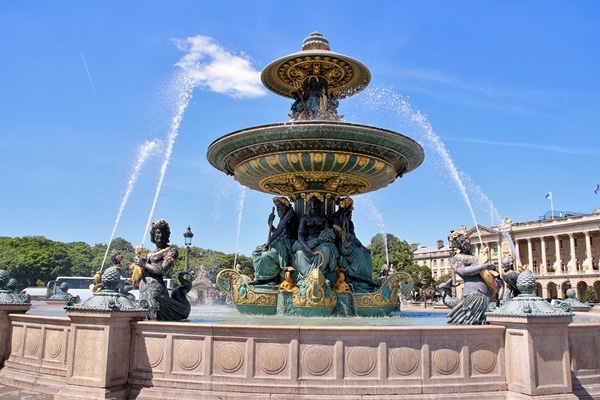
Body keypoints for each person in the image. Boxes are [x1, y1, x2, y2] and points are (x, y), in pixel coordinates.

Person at [135, 219, 190, 321]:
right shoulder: (150, 252)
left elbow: (163, 270)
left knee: (155, 315)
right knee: (147, 315)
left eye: (161, 233)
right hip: (144, 289)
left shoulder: (171, 251)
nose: (159, 235)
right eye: (157, 233)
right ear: (153, 235)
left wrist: (144, 264)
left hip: (156, 290)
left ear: (166, 235)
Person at [446, 226, 499, 325]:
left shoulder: (475, 257)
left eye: (467, 240)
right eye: (464, 241)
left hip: (486, 295)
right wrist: (483, 266)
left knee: (484, 323)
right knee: (470, 323)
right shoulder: (455, 258)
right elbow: (463, 271)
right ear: (459, 244)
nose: (467, 243)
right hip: (473, 295)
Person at [332, 197, 377, 292]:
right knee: (358, 253)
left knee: (366, 253)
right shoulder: (336, 218)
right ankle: (358, 278)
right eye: (348, 208)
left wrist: (360, 245)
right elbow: (334, 230)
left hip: (350, 242)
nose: (349, 211)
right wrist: (342, 233)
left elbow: (354, 236)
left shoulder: (349, 222)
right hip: (340, 243)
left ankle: (366, 280)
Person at [251, 197, 298, 285]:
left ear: (286, 205)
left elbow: (280, 229)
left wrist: (268, 242)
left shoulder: (291, 214)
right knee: (256, 252)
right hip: (278, 241)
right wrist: (270, 224)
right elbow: (277, 232)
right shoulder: (283, 216)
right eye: (277, 207)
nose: (278, 209)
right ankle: (260, 277)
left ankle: (273, 277)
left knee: (267, 255)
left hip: (287, 242)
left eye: (280, 206)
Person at [292, 196, 338, 282]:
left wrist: (320, 239)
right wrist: (306, 247)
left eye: (316, 208)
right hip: (307, 242)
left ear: (319, 207)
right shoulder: (304, 219)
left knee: (326, 249)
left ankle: (320, 275)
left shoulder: (324, 219)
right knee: (300, 254)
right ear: (309, 206)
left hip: (321, 243)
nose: (314, 210)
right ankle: (309, 277)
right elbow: (300, 234)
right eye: (313, 208)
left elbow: (328, 234)